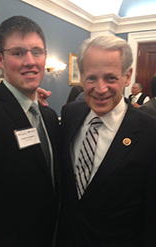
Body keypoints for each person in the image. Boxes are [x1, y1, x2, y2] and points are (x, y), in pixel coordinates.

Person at [56, 35, 156, 247]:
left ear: (127, 77)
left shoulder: (150, 132)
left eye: (111, 78)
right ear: (81, 77)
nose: (100, 89)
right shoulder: (70, 114)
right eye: (91, 78)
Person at [0, 16, 61, 247]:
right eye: (18, 53)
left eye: (37, 52)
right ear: (0, 59)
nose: (30, 61)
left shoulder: (49, 117)